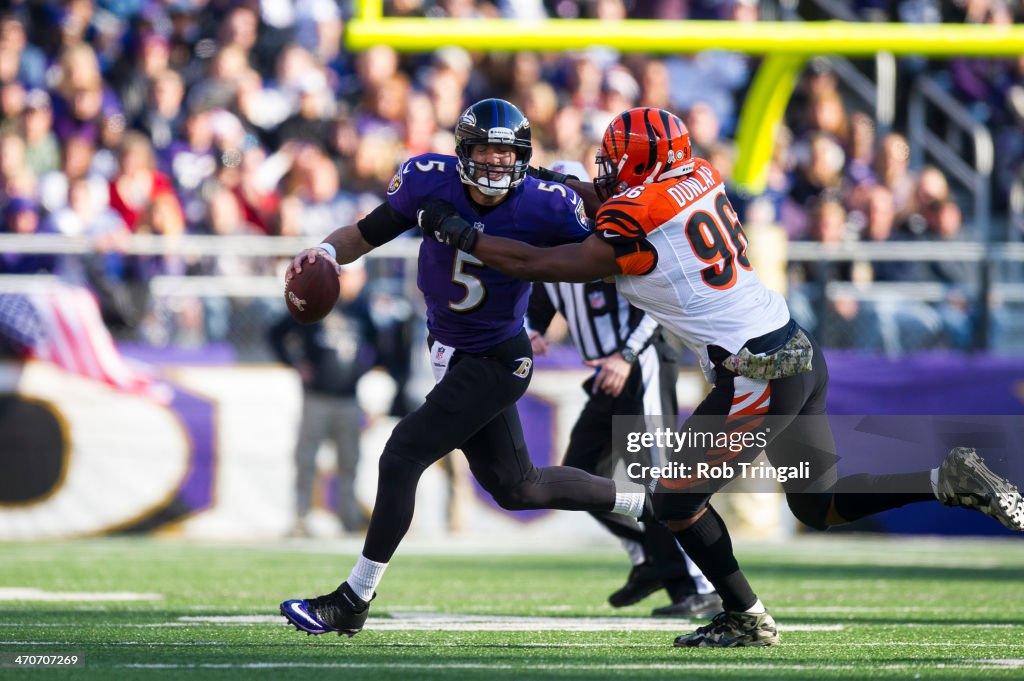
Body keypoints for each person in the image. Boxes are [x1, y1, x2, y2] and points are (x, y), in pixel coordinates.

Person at [421, 106, 1024, 647]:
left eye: (616, 161)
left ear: (642, 166)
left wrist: (465, 235)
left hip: (756, 372)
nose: (606, 169)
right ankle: (944, 477)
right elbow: (617, 202)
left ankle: (746, 615)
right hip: (797, 352)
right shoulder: (697, 175)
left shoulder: (639, 218)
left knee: (674, 498)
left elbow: (541, 261)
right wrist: (546, 180)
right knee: (819, 505)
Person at [278, 99, 650, 637]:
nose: (496, 163)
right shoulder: (429, 181)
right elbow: (364, 232)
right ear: (463, 152)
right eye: (485, 150)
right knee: (518, 487)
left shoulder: (550, 205)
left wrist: (589, 200)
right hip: (451, 351)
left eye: (506, 152)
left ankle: (353, 598)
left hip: (498, 357)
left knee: (402, 454)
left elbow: (608, 254)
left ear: (522, 156)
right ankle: (654, 502)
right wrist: (324, 253)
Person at [526, 160, 720, 618]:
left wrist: (626, 355)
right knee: (577, 477)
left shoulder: (614, 234)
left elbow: (660, 297)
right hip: (607, 377)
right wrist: (532, 332)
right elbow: (539, 306)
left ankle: (701, 583)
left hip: (643, 362)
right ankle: (650, 557)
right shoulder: (551, 249)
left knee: (664, 480)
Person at [268, 259, 377, 537]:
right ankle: (301, 517)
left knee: (349, 460)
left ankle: (348, 517)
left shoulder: (362, 309)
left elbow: (378, 344)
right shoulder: (317, 301)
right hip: (316, 396)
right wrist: (295, 363)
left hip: (348, 397)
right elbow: (276, 332)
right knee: (306, 458)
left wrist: (361, 370)